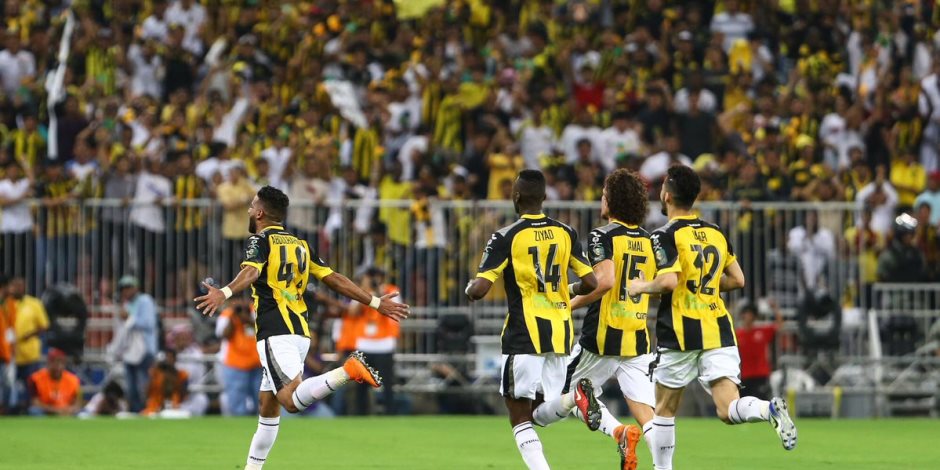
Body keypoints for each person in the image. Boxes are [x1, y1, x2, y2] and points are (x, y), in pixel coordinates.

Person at [194, 186, 409, 470]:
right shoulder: (301, 246)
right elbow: (334, 278)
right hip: (299, 333)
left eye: (252, 206)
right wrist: (375, 302)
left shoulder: (260, 240)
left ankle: (347, 372)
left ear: (260, 213)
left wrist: (224, 292)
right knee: (267, 408)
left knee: (291, 402)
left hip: (275, 331)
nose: (249, 210)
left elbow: (252, 271)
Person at [627, 165, 797, 470]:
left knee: (664, 409)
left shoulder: (664, 235)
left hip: (680, 331)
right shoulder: (715, 232)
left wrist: (640, 286)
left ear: (666, 196)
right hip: (718, 328)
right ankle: (767, 409)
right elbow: (738, 279)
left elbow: (668, 282)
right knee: (728, 408)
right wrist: (702, 282)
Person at [465, 170, 599, 470]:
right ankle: (573, 399)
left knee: (518, 416)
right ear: (544, 197)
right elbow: (591, 283)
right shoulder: (566, 232)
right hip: (560, 332)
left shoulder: (506, 236)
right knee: (540, 413)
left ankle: (573, 399)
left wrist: (469, 289)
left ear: (516, 197)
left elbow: (480, 290)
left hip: (524, 332)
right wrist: (566, 290)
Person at [526, 169, 658, 470]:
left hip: (603, 334)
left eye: (603, 194)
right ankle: (661, 464)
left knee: (549, 407)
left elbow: (606, 281)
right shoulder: (649, 240)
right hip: (637, 335)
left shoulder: (603, 235)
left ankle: (617, 430)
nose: (601, 199)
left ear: (612, 200)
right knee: (647, 415)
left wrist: (568, 305)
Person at [346, 268, 401, 415]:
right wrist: (367, 295)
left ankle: (390, 414)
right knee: (361, 385)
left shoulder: (391, 290)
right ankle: (361, 416)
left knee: (388, 384)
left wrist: (379, 293)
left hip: (384, 344)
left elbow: (395, 311)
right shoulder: (361, 292)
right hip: (364, 344)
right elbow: (352, 312)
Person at [117, 275, 159, 413]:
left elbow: (148, 324)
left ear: (136, 288)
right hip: (129, 351)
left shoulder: (145, 301)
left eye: (128, 287)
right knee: (131, 387)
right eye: (123, 288)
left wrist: (129, 318)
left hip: (145, 351)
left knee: (143, 385)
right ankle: (135, 413)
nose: (125, 291)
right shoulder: (126, 305)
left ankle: (147, 411)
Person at [216, 300, 263, 416]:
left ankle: (263, 425)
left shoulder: (257, 311)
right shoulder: (227, 314)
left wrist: (248, 319)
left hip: (257, 364)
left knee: (261, 400)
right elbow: (223, 335)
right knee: (237, 403)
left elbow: (264, 330)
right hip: (235, 364)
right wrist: (234, 316)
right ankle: (240, 426)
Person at [10, 277, 48, 412]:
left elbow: (44, 326)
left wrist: (29, 335)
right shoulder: (6, 303)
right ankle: (9, 409)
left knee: (30, 385)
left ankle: (30, 409)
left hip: (29, 353)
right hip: (10, 354)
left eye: (20, 285)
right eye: (15, 286)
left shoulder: (34, 303)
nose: (18, 288)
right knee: (8, 384)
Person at [735, 302, 783, 400]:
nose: (748, 317)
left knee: (762, 403)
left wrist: (776, 310)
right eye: (746, 314)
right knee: (744, 404)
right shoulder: (738, 334)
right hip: (745, 375)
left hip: (761, 375)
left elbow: (779, 326)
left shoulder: (762, 331)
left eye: (750, 314)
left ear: (754, 317)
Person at [27, 348, 81, 416]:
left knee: (82, 414)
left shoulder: (73, 379)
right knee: (34, 411)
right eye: (55, 363)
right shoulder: (36, 378)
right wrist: (56, 411)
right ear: (48, 363)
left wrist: (70, 410)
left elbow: (77, 404)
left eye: (61, 363)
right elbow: (35, 403)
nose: (58, 367)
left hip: (66, 412)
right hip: (45, 412)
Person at [142, 349, 189, 416]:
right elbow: (147, 392)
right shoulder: (155, 373)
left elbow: (184, 395)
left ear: (175, 359)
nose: (168, 360)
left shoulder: (181, 374)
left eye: (170, 357)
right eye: (166, 357)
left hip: (173, 404)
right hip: (155, 404)